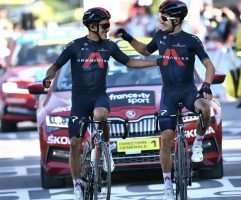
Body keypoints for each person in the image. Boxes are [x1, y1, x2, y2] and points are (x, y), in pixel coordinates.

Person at [43, 7, 158, 200]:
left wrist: (157, 62)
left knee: (100, 115)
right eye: (104, 25)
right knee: (74, 143)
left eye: (108, 24)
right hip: (79, 99)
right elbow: (55, 66)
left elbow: (130, 62)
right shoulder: (74, 45)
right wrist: (48, 78)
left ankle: (106, 149)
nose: (107, 28)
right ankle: (77, 185)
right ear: (91, 26)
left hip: (99, 96)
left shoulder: (109, 46)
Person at [114, 0, 215, 199]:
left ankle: (197, 144)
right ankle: (167, 184)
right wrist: (127, 37)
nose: (160, 21)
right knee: (166, 139)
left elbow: (209, 67)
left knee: (205, 109)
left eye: (163, 17)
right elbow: (144, 51)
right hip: (168, 94)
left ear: (176, 20)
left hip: (188, 92)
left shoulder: (192, 40)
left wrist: (206, 85)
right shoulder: (160, 36)